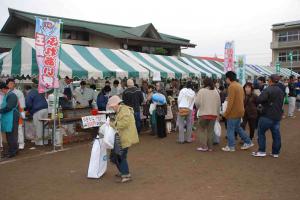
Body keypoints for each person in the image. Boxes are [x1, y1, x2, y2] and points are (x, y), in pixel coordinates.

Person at [107, 95, 139, 183]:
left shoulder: (124, 110)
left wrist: (112, 123)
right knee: (119, 155)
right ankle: (123, 172)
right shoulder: (122, 110)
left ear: (116, 104)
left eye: (112, 106)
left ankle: (126, 174)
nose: (112, 108)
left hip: (125, 137)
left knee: (120, 156)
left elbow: (123, 124)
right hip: (124, 137)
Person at [252, 74, 284, 158]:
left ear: (270, 80)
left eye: (268, 79)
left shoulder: (268, 89)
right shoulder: (280, 90)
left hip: (267, 115)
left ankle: (262, 151)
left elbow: (259, 99)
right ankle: (275, 152)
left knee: (261, 132)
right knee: (276, 135)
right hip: (277, 116)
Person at [222, 71, 254, 152]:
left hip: (233, 112)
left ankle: (231, 146)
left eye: (226, 78)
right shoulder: (239, 85)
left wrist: (225, 114)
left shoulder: (231, 87)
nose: (225, 80)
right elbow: (242, 98)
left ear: (228, 78)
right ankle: (248, 141)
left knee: (230, 129)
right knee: (238, 128)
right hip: (240, 110)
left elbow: (230, 103)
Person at [195, 78, 221, 151]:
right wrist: (218, 114)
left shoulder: (201, 91)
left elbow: (197, 103)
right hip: (213, 114)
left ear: (204, 83)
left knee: (201, 129)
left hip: (203, 114)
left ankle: (204, 146)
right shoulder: (216, 92)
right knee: (210, 130)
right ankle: (210, 147)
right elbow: (219, 104)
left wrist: (199, 107)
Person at [0, 82, 19, 158]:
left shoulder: (12, 95)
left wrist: (0, 110)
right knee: (10, 134)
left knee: (11, 135)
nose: (1, 92)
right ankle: (14, 150)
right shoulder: (8, 95)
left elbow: (9, 107)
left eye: (1, 90)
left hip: (12, 116)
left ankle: (12, 152)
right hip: (9, 117)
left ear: (3, 89)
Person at [6, 78, 26, 150]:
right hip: (8, 114)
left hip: (18, 113)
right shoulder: (6, 92)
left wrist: (22, 114)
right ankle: (14, 143)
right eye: (10, 84)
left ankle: (21, 143)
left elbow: (22, 104)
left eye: (12, 83)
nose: (11, 85)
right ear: (7, 85)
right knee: (11, 129)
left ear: (14, 84)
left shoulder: (19, 92)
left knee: (19, 128)